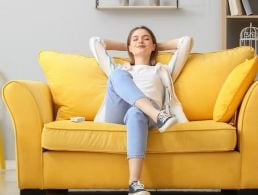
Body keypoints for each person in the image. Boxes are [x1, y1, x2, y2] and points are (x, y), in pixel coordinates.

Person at [89, 26, 193, 195]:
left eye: (146, 38)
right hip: (120, 112)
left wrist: (155, 45)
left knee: (136, 112)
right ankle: (158, 116)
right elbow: (95, 42)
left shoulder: (163, 70)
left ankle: (134, 183)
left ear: (153, 46)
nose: (140, 41)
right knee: (117, 75)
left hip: (142, 117)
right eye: (135, 39)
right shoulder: (123, 69)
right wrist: (128, 46)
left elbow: (186, 41)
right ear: (129, 46)